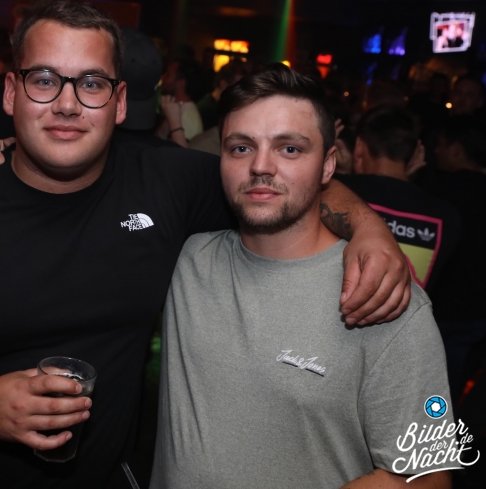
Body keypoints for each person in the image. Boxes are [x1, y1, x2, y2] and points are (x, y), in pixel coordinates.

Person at [0, 0, 409, 489]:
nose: (68, 103)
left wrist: (369, 228)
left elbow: (279, 179)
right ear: (11, 93)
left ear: (121, 102)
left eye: (92, 83)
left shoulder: (165, 183)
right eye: (44, 80)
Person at [150, 64, 456, 489]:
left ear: (328, 166)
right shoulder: (187, 259)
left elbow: (429, 477)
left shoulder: (383, 297)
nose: (260, 165)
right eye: (241, 147)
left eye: (290, 149)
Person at [335, 105, 460, 292]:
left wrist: (337, 173)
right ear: (415, 153)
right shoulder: (447, 216)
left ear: (359, 146)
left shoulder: (335, 192)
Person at [425, 117, 486, 403]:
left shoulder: (438, 192)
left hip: (441, 306)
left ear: (457, 149)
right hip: (476, 310)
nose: (436, 151)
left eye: (441, 145)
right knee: (452, 381)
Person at [155, 58, 205, 146]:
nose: (162, 77)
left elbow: (181, 152)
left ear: (181, 83)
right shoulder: (176, 109)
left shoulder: (187, 116)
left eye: (168, 74)